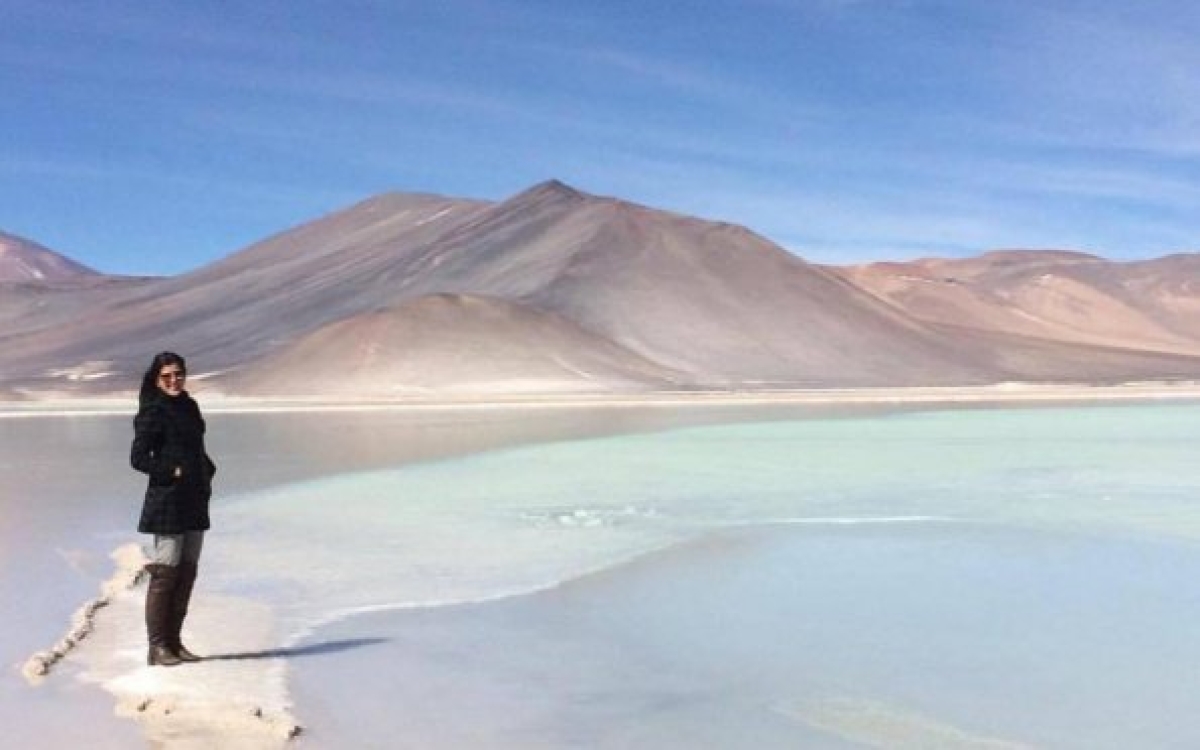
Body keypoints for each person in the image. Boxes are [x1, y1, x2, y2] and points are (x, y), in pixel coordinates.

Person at [130, 352, 216, 667]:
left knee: (188, 571)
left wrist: (206, 469)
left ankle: (175, 642)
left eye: (178, 374)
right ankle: (157, 647)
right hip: (168, 499)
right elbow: (138, 458)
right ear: (156, 379)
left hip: (195, 497)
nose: (174, 380)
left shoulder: (189, 407)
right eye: (167, 376)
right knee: (166, 572)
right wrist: (172, 471)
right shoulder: (153, 412)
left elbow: (197, 447)